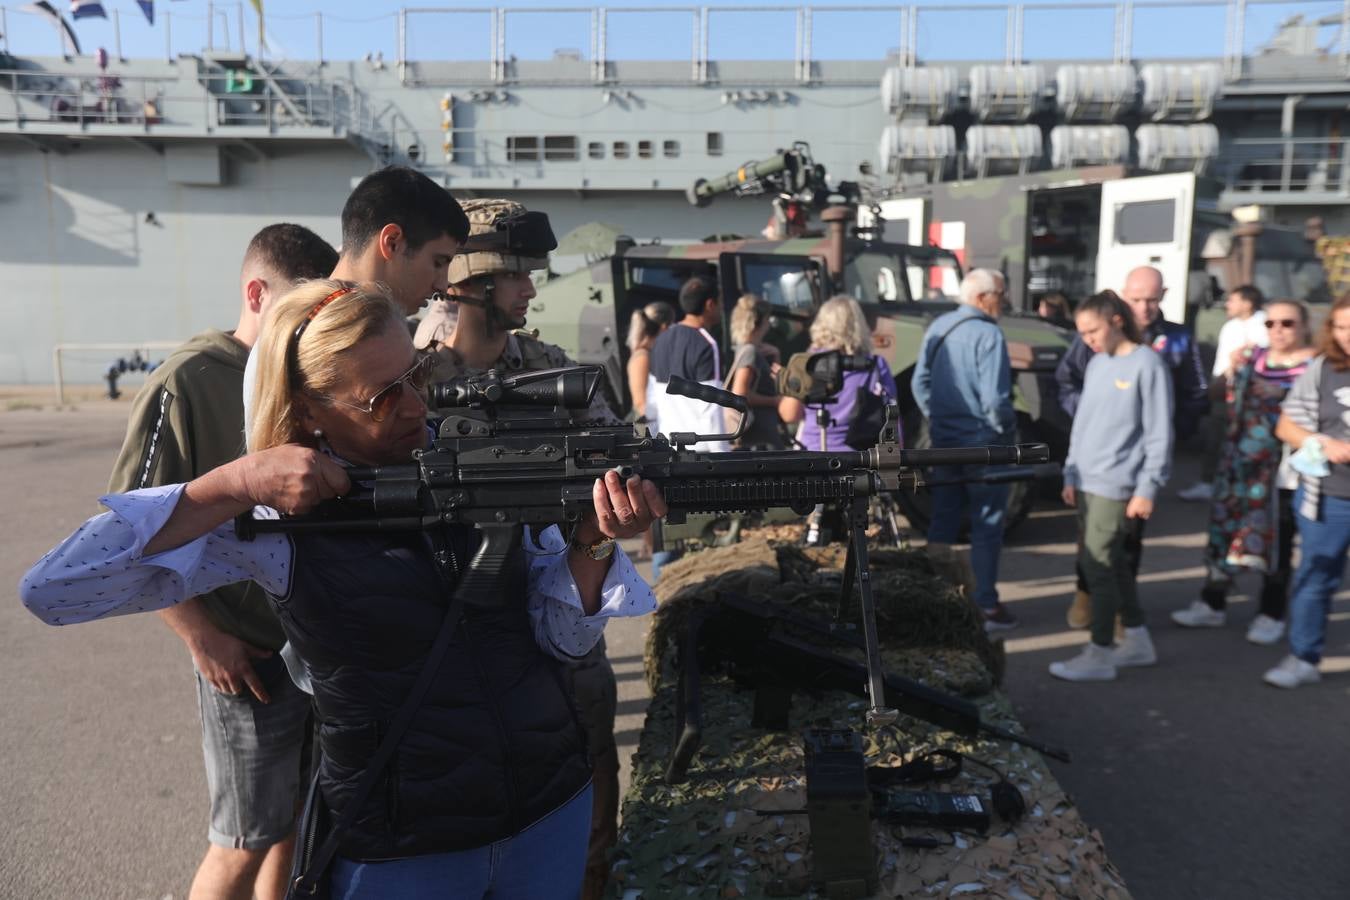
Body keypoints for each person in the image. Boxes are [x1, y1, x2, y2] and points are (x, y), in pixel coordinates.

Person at [22, 281, 665, 900]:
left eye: (417, 375)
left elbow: (563, 637)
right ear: (307, 406)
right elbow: (54, 590)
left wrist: (593, 541)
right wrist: (231, 485)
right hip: (403, 849)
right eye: (383, 395)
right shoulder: (281, 519)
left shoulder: (481, 461)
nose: (416, 405)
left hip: (546, 812)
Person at [106, 224, 337, 900]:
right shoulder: (187, 382)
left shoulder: (298, 374)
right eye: (300, 306)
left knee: (292, 821)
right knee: (242, 838)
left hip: (310, 647)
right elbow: (129, 531)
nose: (307, 326)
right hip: (244, 654)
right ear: (257, 293)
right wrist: (202, 636)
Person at [428, 198, 622, 900]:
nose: (532, 289)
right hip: (452, 626)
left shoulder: (554, 370)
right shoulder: (407, 377)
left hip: (556, 619)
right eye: (518, 276)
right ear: (471, 283)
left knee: (591, 787)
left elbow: (620, 465)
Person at [242, 165, 469, 433]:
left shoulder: (313, 324)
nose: (442, 285)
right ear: (392, 242)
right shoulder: (305, 334)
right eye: (438, 262)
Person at [1057, 266, 1206, 628]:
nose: (1145, 306)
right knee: (1097, 553)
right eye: (1137, 298)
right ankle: (1097, 604)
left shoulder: (1168, 345)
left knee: (1115, 555)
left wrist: (1155, 469)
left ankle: (1112, 636)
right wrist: (1083, 452)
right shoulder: (1097, 352)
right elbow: (1072, 393)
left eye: (1152, 298)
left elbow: (1185, 401)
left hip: (1125, 476)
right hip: (1092, 473)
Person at [1172, 300, 1313, 643]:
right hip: (1238, 465)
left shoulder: (1315, 367)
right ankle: (1213, 601)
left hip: (1283, 470)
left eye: (1287, 323)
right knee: (1224, 530)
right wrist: (1230, 370)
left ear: (1304, 326)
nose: (1278, 330)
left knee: (1276, 540)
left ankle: (1271, 611)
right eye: (1271, 323)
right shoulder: (1254, 357)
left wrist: (1281, 395)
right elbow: (1217, 395)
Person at [1052, 290, 1173, 682]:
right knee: (1114, 563)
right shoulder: (1098, 364)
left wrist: (1147, 487)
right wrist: (1071, 472)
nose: (1087, 339)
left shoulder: (1148, 365)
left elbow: (1159, 434)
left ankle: (1100, 651)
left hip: (1117, 485)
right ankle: (1136, 639)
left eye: (1092, 330)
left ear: (1116, 321)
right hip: (1087, 481)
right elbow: (1083, 424)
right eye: (1082, 333)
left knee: (1097, 564)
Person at [910, 269, 1018, 631]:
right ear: (985, 297)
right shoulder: (989, 334)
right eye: (1001, 295)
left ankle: (937, 596)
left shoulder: (939, 327)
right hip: (984, 445)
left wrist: (938, 417)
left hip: (945, 443)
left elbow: (919, 381)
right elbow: (995, 401)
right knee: (987, 526)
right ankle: (986, 605)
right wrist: (1007, 433)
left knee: (943, 517)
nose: (1004, 301)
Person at [1262, 295, 1350, 689]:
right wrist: (1321, 442)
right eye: (1342, 327)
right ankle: (1303, 657)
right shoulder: (1322, 368)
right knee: (1315, 578)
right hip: (1327, 497)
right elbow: (1285, 426)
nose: (1347, 336)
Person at [1178, 284, 1270, 502]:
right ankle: (1209, 482)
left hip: (1252, 395)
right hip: (1224, 390)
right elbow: (1222, 361)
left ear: (1247, 303)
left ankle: (1244, 486)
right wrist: (1216, 385)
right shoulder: (1230, 326)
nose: (1227, 304)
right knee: (1216, 437)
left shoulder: (1265, 324)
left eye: (1233, 299)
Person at [778, 295, 897, 452]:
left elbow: (789, 415)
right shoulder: (875, 364)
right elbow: (892, 413)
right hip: (859, 457)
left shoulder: (807, 362)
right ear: (859, 325)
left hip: (813, 454)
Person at [647, 276, 729, 453]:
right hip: (701, 453)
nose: (722, 308)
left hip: (666, 449)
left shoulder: (661, 340)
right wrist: (723, 460)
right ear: (710, 304)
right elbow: (711, 408)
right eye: (720, 302)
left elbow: (651, 404)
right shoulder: (707, 344)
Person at [726, 293, 786, 449]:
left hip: (757, 436)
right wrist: (775, 401)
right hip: (758, 438)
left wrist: (776, 355)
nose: (769, 325)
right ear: (757, 323)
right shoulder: (749, 352)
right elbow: (740, 395)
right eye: (767, 320)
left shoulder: (744, 350)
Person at [626, 302, 676, 422]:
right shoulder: (642, 357)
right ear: (664, 328)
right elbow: (639, 404)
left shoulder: (650, 354)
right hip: (648, 429)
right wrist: (644, 437)